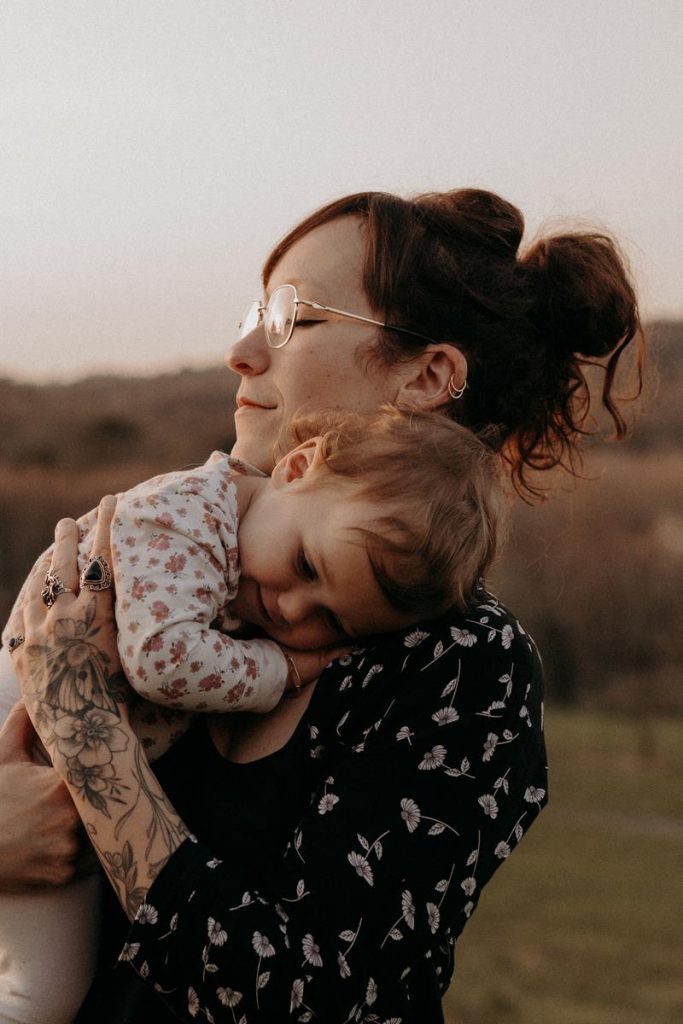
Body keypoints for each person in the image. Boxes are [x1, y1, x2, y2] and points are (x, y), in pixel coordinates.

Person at [1, 187, 642, 1023]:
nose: (240, 350)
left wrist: (85, 729)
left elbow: (310, 998)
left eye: (289, 317)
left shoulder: (462, 666)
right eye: (254, 311)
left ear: (429, 375)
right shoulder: (194, 553)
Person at [0, 406, 502, 1024]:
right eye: (306, 566)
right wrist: (282, 670)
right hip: (20, 723)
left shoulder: (470, 665)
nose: (292, 611)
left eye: (333, 622)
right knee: (40, 994)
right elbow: (162, 659)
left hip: (48, 745)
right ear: (294, 470)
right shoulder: (190, 519)